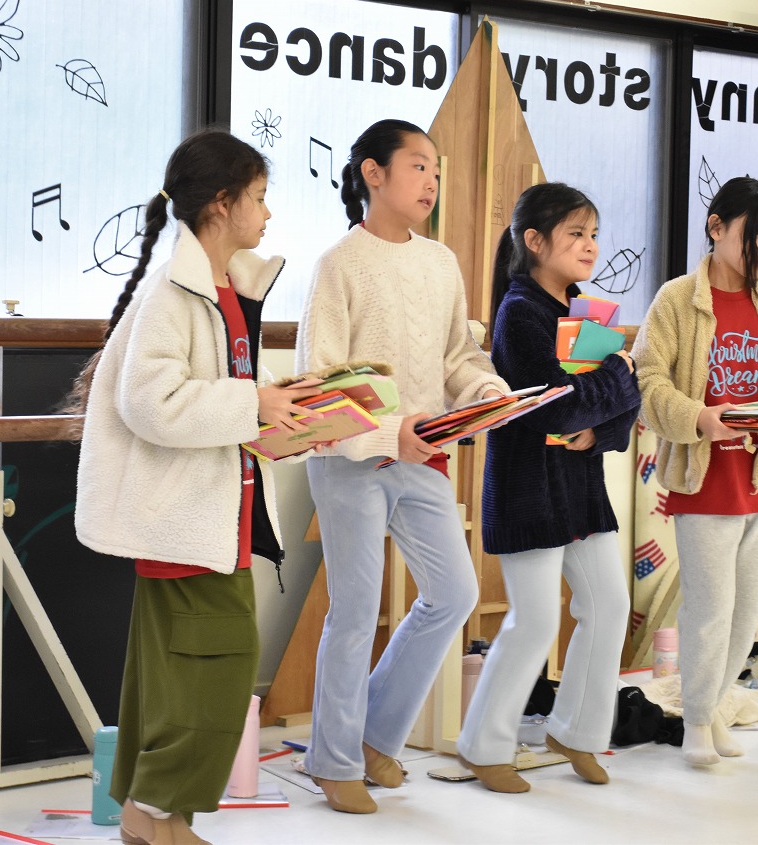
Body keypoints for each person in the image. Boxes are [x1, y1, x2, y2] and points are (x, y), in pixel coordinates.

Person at [71, 129, 323, 844]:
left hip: (213, 518)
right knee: (217, 670)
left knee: (174, 675)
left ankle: (151, 813)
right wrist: (254, 403)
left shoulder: (222, 289)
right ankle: (157, 812)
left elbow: (225, 394)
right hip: (187, 521)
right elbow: (151, 402)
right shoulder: (176, 293)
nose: (267, 214)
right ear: (221, 202)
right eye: (259, 197)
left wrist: (289, 408)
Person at [295, 118, 509, 814]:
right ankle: (333, 761)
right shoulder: (338, 264)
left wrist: (485, 391)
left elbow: (456, 357)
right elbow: (319, 388)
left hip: (423, 454)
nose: (431, 182)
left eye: (436, 171)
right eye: (418, 166)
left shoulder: (441, 262)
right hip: (349, 459)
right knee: (355, 611)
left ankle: (372, 736)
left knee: (454, 593)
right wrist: (391, 430)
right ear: (373, 172)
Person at [454, 182, 640, 792]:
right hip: (529, 489)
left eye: (593, 234)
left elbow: (619, 408)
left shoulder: (585, 311)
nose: (590, 246)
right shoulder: (519, 311)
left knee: (609, 607)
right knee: (534, 621)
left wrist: (600, 424)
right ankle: (483, 746)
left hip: (580, 489)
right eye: (576, 234)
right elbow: (555, 406)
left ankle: (577, 732)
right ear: (534, 241)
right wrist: (616, 376)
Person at [632, 176, 758, 767]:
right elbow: (646, 380)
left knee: (743, 614)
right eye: (755, 235)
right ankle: (694, 721)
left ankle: (711, 708)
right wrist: (698, 418)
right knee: (709, 611)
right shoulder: (675, 299)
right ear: (716, 227)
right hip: (705, 479)